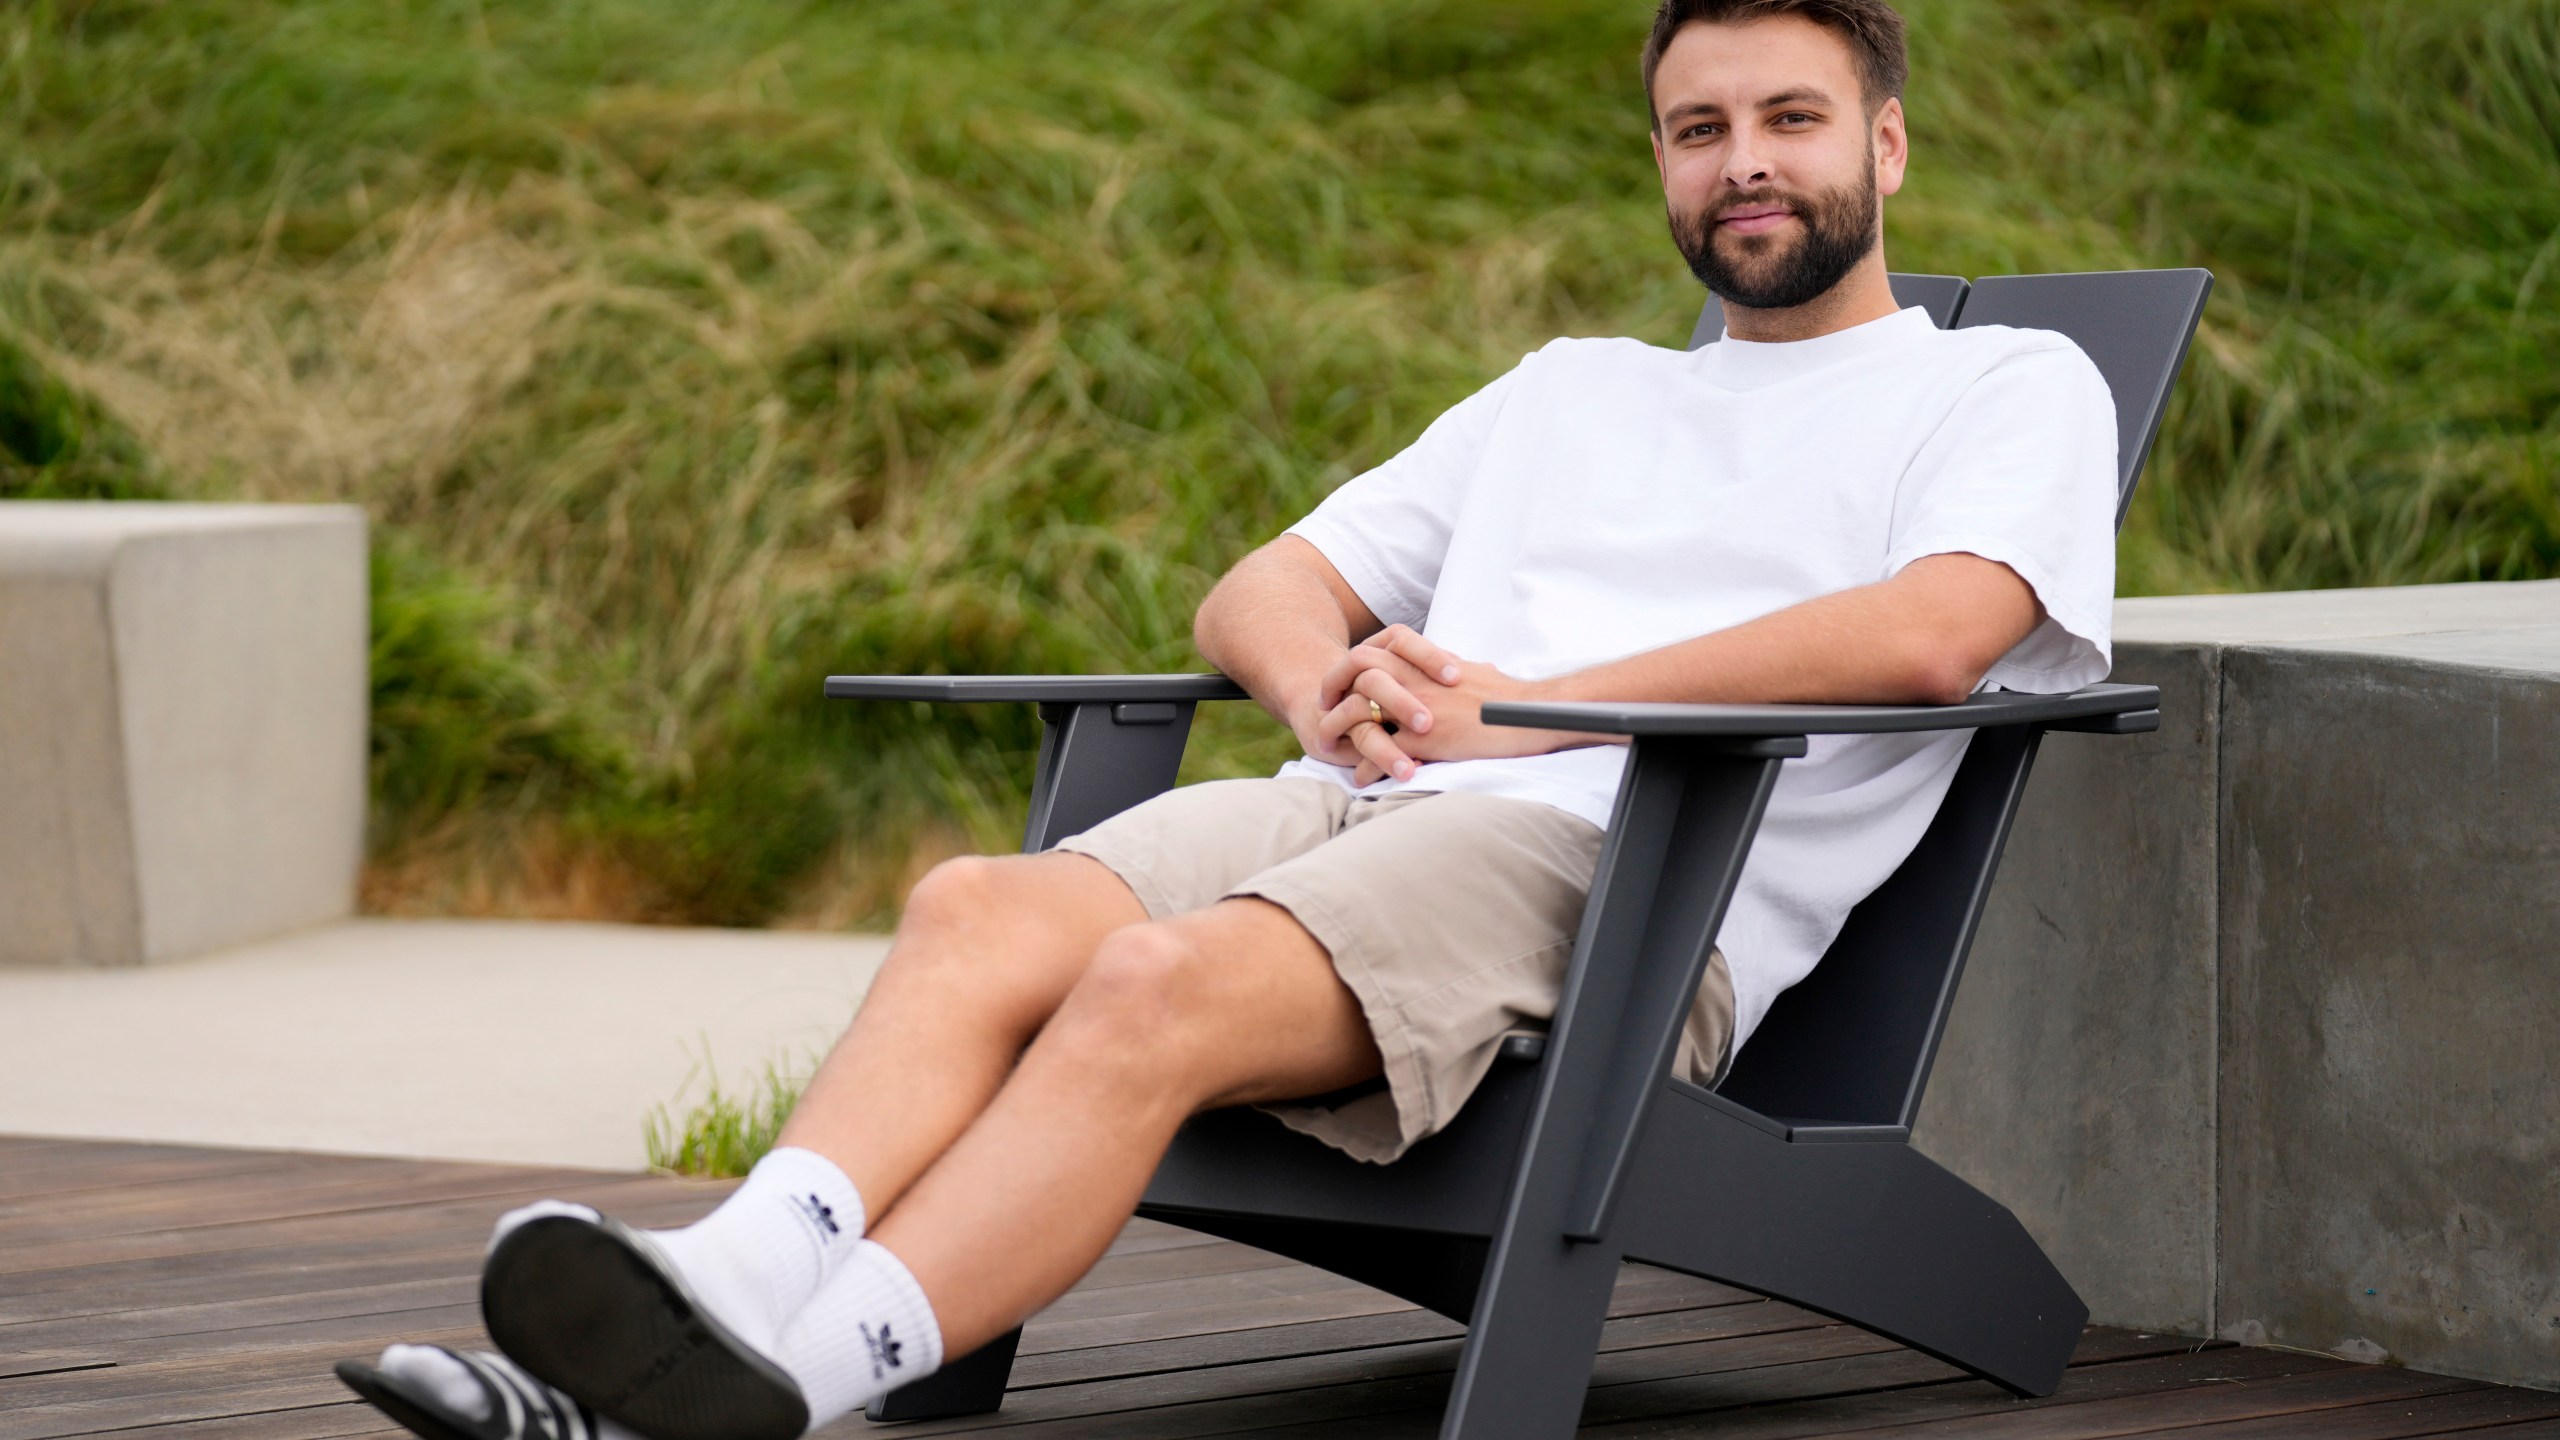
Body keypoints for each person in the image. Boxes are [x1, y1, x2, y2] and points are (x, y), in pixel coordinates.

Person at [338, 1, 2119, 1436]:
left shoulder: (2001, 382)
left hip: (1627, 883)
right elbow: (1264, 581)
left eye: (1790, 119)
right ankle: (722, 1291)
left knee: (1145, 989)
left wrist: (1524, 711)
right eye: (1699, 127)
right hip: (1369, 811)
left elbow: (1937, 634)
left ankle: (784, 1392)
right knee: (979, 906)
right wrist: (1317, 683)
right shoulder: (1571, 393)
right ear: (1660, 162)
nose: (1745, 163)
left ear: (1884, 143)